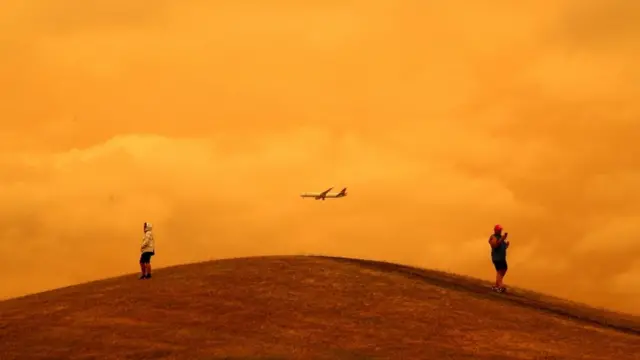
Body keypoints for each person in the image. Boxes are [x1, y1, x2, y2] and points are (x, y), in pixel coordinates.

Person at [488, 224, 509, 292]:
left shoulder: (500, 237)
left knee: (503, 269)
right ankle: (500, 285)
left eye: (500, 230)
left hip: (501, 258)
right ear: (495, 230)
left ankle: (497, 285)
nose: (500, 231)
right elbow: (495, 245)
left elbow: (502, 247)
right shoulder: (493, 237)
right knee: (500, 271)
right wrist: (502, 239)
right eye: (499, 230)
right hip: (497, 258)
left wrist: (506, 245)